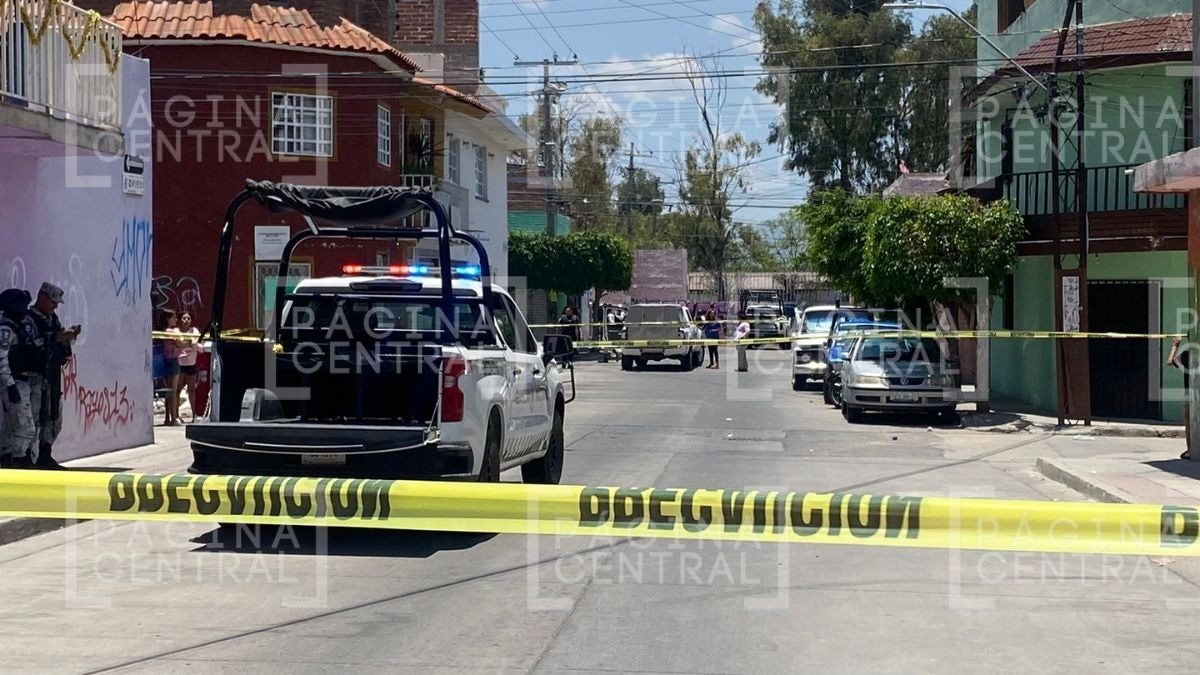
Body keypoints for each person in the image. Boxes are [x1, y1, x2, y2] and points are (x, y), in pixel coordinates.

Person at [29, 282, 77, 470]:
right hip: (35, 378)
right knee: (33, 420)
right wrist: (56, 338)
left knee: (53, 417)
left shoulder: (52, 318)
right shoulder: (29, 319)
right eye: (52, 302)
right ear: (42, 297)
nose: (55, 306)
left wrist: (69, 337)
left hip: (52, 376)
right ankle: (27, 458)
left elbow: (60, 342)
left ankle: (45, 454)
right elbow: (34, 345)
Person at [0, 289, 41, 468]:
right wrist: (10, 386)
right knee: (25, 429)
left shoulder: (25, 324)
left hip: (26, 381)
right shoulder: (6, 329)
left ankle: (11, 462)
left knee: (12, 429)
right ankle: (18, 462)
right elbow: (2, 360)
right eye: (20, 305)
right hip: (14, 382)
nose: (24, 309)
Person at [1169, 336, 1193, 460]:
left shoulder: (1186, 354)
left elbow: (1170, 361)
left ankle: (1190, 450)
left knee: (1188, 422)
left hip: (1190, 393)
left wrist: (1175, 345)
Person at [175, 310, 202, 421]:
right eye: (184, 318)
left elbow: (195, 344)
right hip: (180, 363)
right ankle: (176, 415)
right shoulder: (176, 331)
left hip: (191, 363)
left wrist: (189, 343)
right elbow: (179, 344)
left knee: (192, 390)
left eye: (188, 318)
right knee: (178, 390)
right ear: (180, 319)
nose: (186, 320)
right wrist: (190, 343)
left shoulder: (194, 330)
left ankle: (194, 415)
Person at [160, 309, 182, 426]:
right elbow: (180, 344)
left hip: (165, 360)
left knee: (168, 392)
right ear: (168, 319)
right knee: (173, 391)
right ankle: (174, 418)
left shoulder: (163, 331)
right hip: (173, 361)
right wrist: (189, 343)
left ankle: (167, 418)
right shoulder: (173, 332)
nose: (176, 320)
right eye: (174, 318)